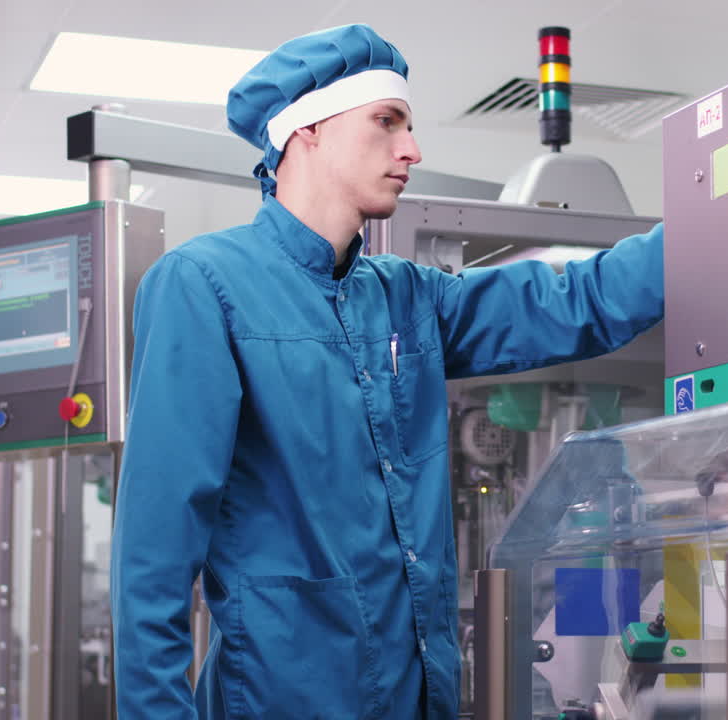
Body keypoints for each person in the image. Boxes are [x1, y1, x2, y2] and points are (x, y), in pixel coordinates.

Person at [110, 24, 664, 720]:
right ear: (307, 129)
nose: (413, 149)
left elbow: (577, 301)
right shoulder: (203, 286)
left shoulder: (409, 295)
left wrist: (719, 216)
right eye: (387, 121)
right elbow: (154, 560)